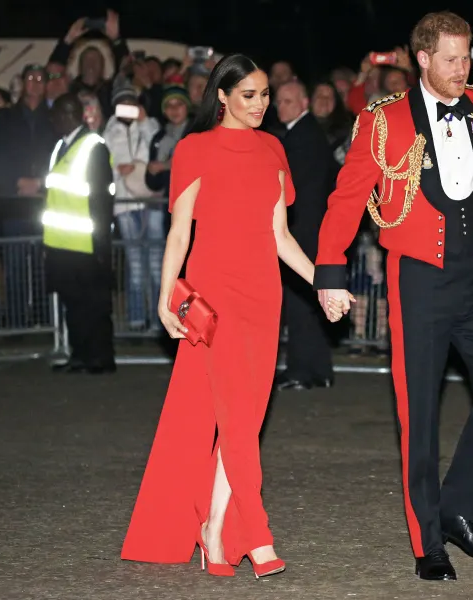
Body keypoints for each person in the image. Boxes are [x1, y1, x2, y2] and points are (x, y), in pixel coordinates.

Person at [313, 11, 473, 581]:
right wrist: (329, 272)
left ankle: (458, 511)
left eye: (465, 58)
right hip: (416, 278)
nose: (460, 69)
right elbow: (347, 200)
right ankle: (428, 541)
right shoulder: (384, 120)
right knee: (418, 415)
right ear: (421, 59)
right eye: (450, 59)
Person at [120, 54, 344, 578]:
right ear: (221, 97)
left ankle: (214, 528)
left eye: (266, 94)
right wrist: (164, 297)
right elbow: (179, 233)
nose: (261, 104)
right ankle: (259, 537)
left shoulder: (273, 149)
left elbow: (281, 237)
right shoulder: (194, 149)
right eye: (250, 95)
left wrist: (324, 282)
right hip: (213, 297)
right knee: (239, 421)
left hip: (263, 297)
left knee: (243, 419)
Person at [42, 92, 116, 374]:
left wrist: (101, 244)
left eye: (56, 114)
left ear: (70, 114)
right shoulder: (61, 146)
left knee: (93, 304)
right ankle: (81, 355)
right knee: (74, 304)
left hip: (86, 243)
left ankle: (100, 358)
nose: (53, 120)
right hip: (63, 244)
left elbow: (100, 199)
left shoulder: (92, 146)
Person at [273, 80, 338, 390]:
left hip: (303, 233)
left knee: (300, 304)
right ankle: (318, 370)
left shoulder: (302, 136)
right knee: (310, 304)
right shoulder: (306, 134)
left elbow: (291, 187)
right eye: (279, 101)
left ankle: (301, 370)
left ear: (303, 103)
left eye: (287, 100)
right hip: (311, 231)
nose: (279, 106)